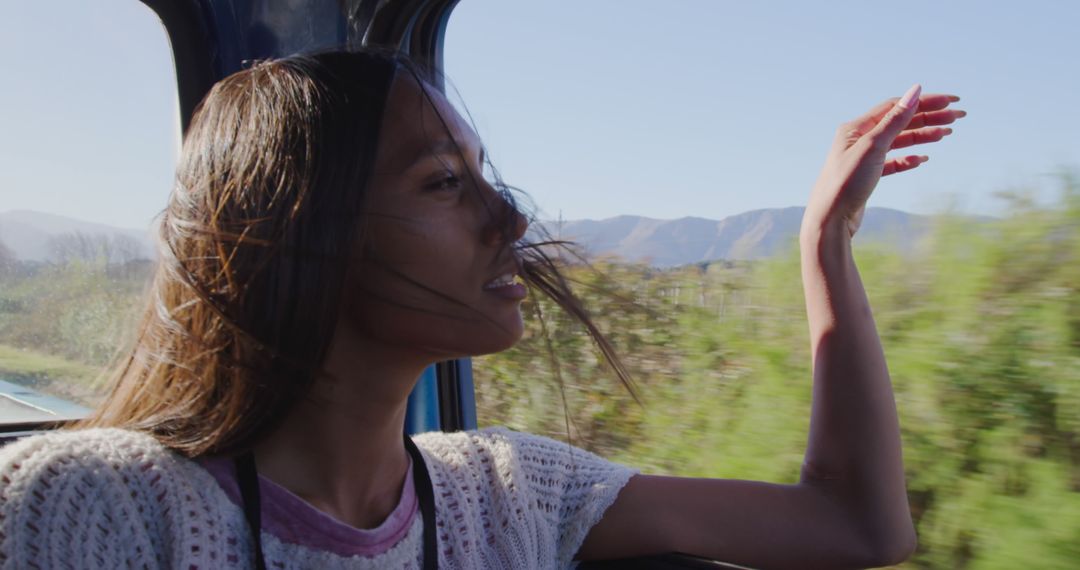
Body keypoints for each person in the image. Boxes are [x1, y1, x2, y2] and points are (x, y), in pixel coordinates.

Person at [0, 49, 963, 569]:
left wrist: (825, 241)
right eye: (444, 183)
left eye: (483, 177)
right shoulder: (93, 505)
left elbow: (855, 527)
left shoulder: (506, 494)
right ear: (308, 233)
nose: (510, 217)